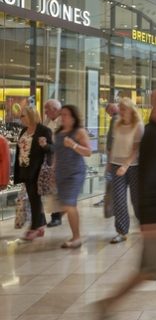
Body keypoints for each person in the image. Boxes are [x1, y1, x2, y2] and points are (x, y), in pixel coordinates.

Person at [97, 90, 156, 320]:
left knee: (149, 271)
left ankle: (109, 302)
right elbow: (149, 180)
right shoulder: (153, 137)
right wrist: (153, 220)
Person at [54, 105, 91, 248]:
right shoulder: (58, 133)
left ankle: (77, 238)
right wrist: (52, 171)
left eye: (65, 115)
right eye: (61, 114)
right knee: (66, 205)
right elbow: (56, 154)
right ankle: (74, 234)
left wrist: (73, 145)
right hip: (61, 173)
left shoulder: (79, 132)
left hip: (75, 173)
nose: (62, 117)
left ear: (73, 117)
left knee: (69, 205)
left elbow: (88, 152)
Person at [14, 106, 53, 241]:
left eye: (22, 116)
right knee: (32, 198)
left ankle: (35, 227)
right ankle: (39, 226)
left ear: (31, 115)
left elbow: (52, 149)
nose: (20, 118)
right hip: (24, 168)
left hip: (37, 169)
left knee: (34, 198)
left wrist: (44, 145)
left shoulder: (44, 130)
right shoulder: (24, 130)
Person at [109, 98, 144, 244]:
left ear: (131, 110)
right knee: (118, 198)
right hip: (116, 165)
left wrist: (126, 165)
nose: (121, 112)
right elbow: (113, 145)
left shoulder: (138, 126)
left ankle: (144, 224)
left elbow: (136, 149)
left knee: (136, 199)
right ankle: (121, 231)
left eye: (124, 109)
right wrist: (109, 163)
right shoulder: (117, 124)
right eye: (120, 109)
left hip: (133, 166)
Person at [43, 99, 64, 227]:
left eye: (47, 109)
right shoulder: (47, 121)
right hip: (49, 156)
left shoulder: (63, 121)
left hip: (60, 158)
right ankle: (56, 214)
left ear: (55, 109)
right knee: (52, 188)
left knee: (56, 188)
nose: (45, 112)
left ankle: (57, 216)